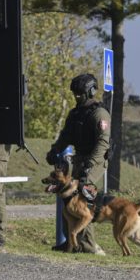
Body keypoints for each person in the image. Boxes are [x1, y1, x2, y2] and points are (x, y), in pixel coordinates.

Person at [47, 72, 109, 254]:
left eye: (80, 94)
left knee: (83, 197)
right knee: (67, 198)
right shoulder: (75, 113)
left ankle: (88, 247)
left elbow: (103, 143)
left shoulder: (100, 114)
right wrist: (55, 150)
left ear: (91, 92)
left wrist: (90, 164)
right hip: (80, 159)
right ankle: (71, 244)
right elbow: (65, 136)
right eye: (75, 94)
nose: (77, 97)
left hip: (95, 161)